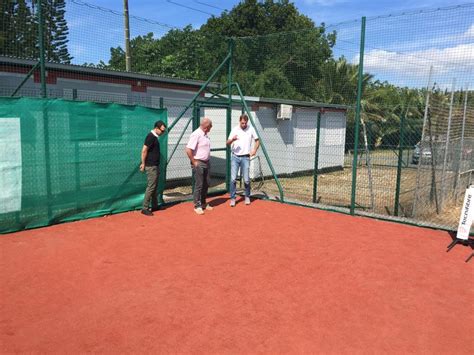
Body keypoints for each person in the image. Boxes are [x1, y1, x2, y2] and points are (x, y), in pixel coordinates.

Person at [226, 114, 260, 207]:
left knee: (246, 180)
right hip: (235, 157)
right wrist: (232, 140)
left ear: (247, 122)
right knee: (233, 179)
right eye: (242, 123)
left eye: (245, 123)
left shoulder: (251, 128)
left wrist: (254, 150)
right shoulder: (235, 129)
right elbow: (227, 142)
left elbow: (257, 140)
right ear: (239, 121)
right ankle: (233, 198)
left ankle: (247, 196)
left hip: (246, 157)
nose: (243, 125)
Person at [185, 118, 213, 215]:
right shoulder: (196, 134)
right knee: (199, 184)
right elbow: (188, 149)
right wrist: (194, 162)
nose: (211, 129)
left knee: (207, 183)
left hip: (207, 162)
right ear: (206, 127)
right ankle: (197, 205)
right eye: (210, 127)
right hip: (198, 162)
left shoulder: (205, 135)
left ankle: (204, 202)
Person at [140, 120, 166, 216]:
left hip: (155, 165)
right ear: (156, 128)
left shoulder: (155, 137)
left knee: (154, 186)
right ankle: (144, 208)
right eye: (162, 131)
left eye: (164, 131)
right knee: (151, 187)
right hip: (151, 166)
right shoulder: (150, 137)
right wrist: (143, 163)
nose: (163, 133)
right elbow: (144, 151)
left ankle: (155, 205)